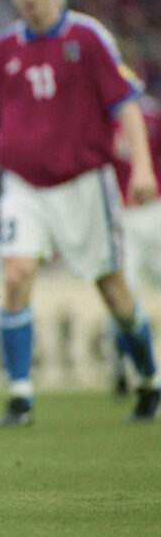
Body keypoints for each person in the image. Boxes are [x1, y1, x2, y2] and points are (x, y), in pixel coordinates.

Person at [0, 0, 160, 426]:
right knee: (16, 276)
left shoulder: (88, 37)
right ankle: (20, 398)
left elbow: (126, 104)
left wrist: (143, 168)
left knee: (114, 292)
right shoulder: (5, 47)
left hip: (84, 184)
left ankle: (149, 379)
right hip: (24, 186)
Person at [109, 95, 161, 394]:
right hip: (120, 217)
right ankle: (127, 371)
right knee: (122, 294)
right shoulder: (98, 119)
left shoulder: (152, 115)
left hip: (154, 210)